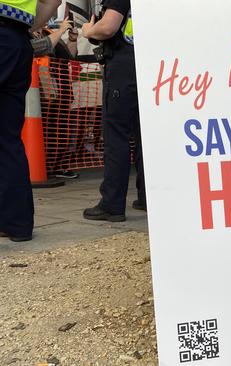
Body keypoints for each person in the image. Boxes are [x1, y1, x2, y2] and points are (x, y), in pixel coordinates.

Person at [0, 0, 60, 244]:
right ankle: (17, 224)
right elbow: (54, 1)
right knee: (5, 138)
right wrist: (27, 26)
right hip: (17, 41)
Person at [82, 0, 146, 222]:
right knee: (145, 135)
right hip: (150, 63)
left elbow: (108, 26)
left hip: (123, 65)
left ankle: (112, 204)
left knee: (116, 135)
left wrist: (88, 30)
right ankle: (148, 197)